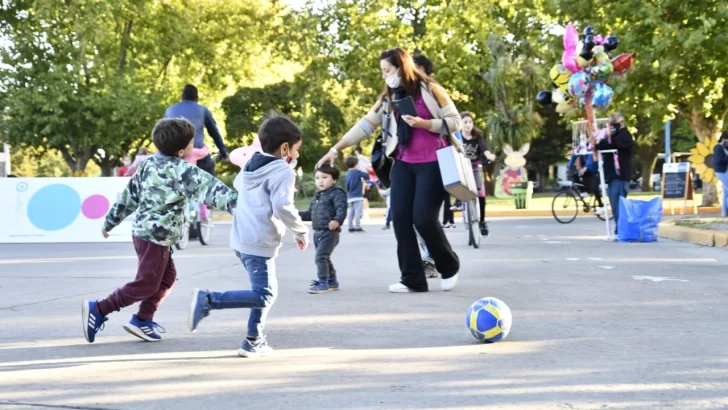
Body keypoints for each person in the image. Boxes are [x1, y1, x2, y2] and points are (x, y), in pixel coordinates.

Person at [316, 47, 462, 293]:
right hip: (404, 163)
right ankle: (412, 278)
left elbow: (455, 121)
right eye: (383, 71)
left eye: (388, 70)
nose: (385, 76)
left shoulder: (432, 90)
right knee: (401, 220)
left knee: (424, 219)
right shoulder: (388, 99)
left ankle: (449, 266)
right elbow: (365, 125)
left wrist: (426, 124)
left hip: (434, 163)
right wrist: (335, 148)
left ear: (402, 68)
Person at [81, 118, 238, 344]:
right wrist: (242, 206)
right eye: (193, 142)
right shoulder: (184, 171)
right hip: (156, 237)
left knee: (166, 278)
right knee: (147, 283)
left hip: (144, 233)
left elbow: (129, 197)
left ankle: (143, 320)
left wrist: (110, 221)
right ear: (182, 150)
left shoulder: (147, 165)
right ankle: (100, 309)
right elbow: (214, 191)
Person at [187, 111, 309, 358]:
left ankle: (253, 339)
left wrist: (282, 170)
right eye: (295, 150)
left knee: (264, 291)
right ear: (285, 148)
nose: (296, 155)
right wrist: (300, 230)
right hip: (258, 240)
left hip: (242, 237)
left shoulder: (251, 164)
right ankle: (208, 300)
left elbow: (239, 186)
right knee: (264, 294)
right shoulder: (284, 172)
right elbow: (282, 207)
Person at [299, 164, 348, 294]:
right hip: (318, 232)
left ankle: (323, 283)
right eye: (317, 178)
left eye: (325, 177)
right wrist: (294, 214)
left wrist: (337, 220)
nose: (320, 180)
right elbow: (310, 214)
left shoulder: (337, 193)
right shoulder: (318, 195)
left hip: (330, 232)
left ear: (334, 180)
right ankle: (332, 281)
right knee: (324, 257)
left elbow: (341, 209)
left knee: (320, 257)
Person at [165, 84, 229, 176]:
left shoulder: (169, 110)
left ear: (182, 97)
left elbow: (162, 134)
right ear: (197, 98)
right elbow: (214, 133)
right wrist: (223, 152)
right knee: (209, 176)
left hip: (174, 156)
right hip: (198, 156)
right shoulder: (203, 110)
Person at [454, 112, 495, 236]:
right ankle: (458, 201)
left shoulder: (477, 136)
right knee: (458, 181)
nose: (468, 125)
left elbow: (484, 149)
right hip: (462, 166)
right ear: (460, 124)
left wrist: (489, 156)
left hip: (475, 166)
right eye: (465, 122)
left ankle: (482, 221)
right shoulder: (456, 136)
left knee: (481, 194)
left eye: (470, 122)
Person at [595, 112, 634, 236]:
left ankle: (623, 231)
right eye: (610, 124)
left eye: (614, 124)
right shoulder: (613, 136)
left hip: (620, 176)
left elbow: (614, 145)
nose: (612, 126)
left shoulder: (625, 135)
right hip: (612, 176)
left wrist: (600, 145)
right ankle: (620, 230)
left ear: (621, 123)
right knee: (615, 205)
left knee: (618, 205)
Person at [344, 156, 370, 232]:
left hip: (350, 196)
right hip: (358, 196)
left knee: (351, 211)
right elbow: (367, 175)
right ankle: (357, 226)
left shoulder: (347, 174)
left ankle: (350, 226)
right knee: (358, 211)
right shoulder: (358, 172)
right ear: (355, 164)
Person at [713, 131, 728, 217]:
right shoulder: (718, 148)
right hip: (721, 171)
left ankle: (724, 212)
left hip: (724, 170)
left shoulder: (725, 147)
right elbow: (719, 160)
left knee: (726, 192)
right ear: (724, 139)